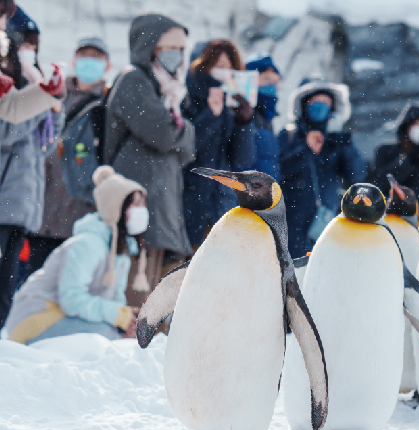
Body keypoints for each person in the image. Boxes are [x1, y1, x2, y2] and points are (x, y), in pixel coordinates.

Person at [104, 13, 195, 305]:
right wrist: (184, 132)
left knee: (154, 299)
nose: (177, 56)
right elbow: (164, 134)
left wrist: (180, 133)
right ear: (149, 46)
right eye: (169, 47)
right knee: (134, 293)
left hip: (161, 207)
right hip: (138, 204)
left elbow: (187, 150)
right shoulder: (134, 80)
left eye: (181, 49)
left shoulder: (169, 90)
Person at [2, 166, 147, 344]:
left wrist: (124, 321)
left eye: (143, 205)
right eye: (136, 204)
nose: (142, 211)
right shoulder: (86, 245)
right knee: (104, 336)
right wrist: (116, 315)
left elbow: (112, 298)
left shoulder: (121, 252)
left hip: (65, 318)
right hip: (36, 317)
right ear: (116, 208)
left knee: (118, 337)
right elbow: (71, 299)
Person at [24, 37, 112, 277]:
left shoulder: (110, 103)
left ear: (108, 65)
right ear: (74, 60)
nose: (89, 62)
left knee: (72, 286)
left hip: (82, 216)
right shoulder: (54, 93)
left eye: (96, 57)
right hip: (43, 212)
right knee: (36, 287)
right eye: (85, 56)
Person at [0, 13, 65, 328]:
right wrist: (37, 103)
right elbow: (5, 132)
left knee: (6, 291)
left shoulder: (34, 79)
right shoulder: (8, 81)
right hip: (4, 200)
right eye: (23, 41)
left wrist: (53, 106)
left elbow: (46, 146)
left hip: (24, 205)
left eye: (33, 44)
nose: (28, 49)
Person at [278, 78, 365, 257]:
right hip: (290, 228)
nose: (320, 106)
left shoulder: (337, 141)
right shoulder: (288, 136)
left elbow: (357, 175)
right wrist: (305, 150)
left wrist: (343, 142)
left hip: (326, 226)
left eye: (326, 102)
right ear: (303, 104)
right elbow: (277, 172)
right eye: (315, 101)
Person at [182, 39, 255, 248]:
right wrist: (210, 115)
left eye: (230, 67)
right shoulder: (185, 103)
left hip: (222, 206)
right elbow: (186, 150)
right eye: (219, 66)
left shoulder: (233, 108)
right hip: (189, 205)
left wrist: (244, 122)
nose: (226, 72)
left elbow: (243, 159)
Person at [369, 102, 419, 210]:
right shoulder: (386, 151)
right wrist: (409, 160)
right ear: (407, 127)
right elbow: (378, 183)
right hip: (391, 215)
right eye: (416, 124)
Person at [245, 52, 281, 180]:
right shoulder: (241, 116)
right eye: (266, 79)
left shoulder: (268, 119)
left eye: (276, 81)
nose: (272, 86)